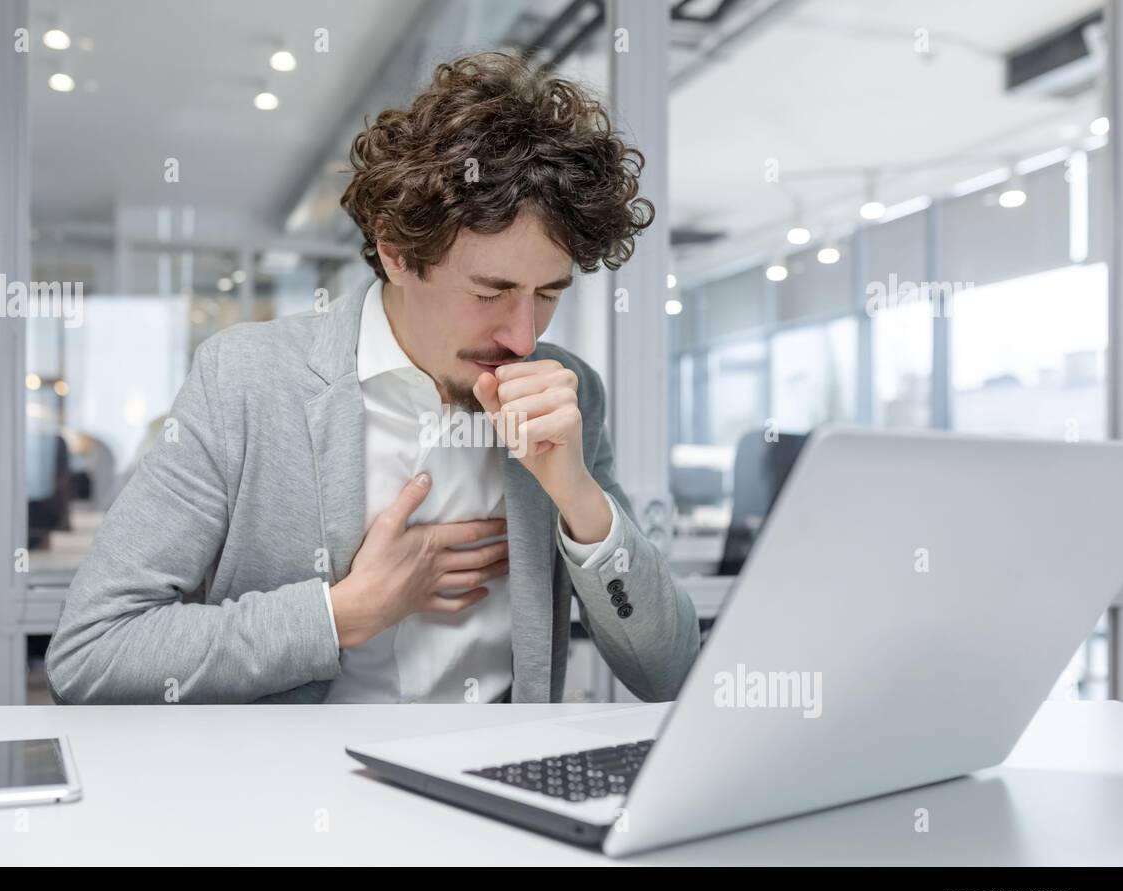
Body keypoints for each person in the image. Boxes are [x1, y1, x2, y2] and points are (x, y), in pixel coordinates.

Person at [46, 52, 700, 704]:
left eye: (549, 293)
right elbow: (91, 653)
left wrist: (578, 496)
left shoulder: (567, 389)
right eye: (489, 292)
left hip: (497, 790)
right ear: (395, 251)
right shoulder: (245, 381)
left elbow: (664, 670)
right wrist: (341, 614)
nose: (523, 338)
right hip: (295, 793)